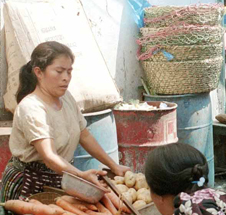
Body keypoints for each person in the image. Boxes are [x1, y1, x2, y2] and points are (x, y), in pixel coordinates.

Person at [0, 42, 130, 202]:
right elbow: (49, 156)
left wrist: (114, 166)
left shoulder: (66, 98)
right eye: (59, 71)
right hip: (28, 183)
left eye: (69, 71)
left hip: (59, 177)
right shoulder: (32, 108)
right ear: (39, 72)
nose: (66, 78)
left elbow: (85, 136)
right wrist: (80, 176)